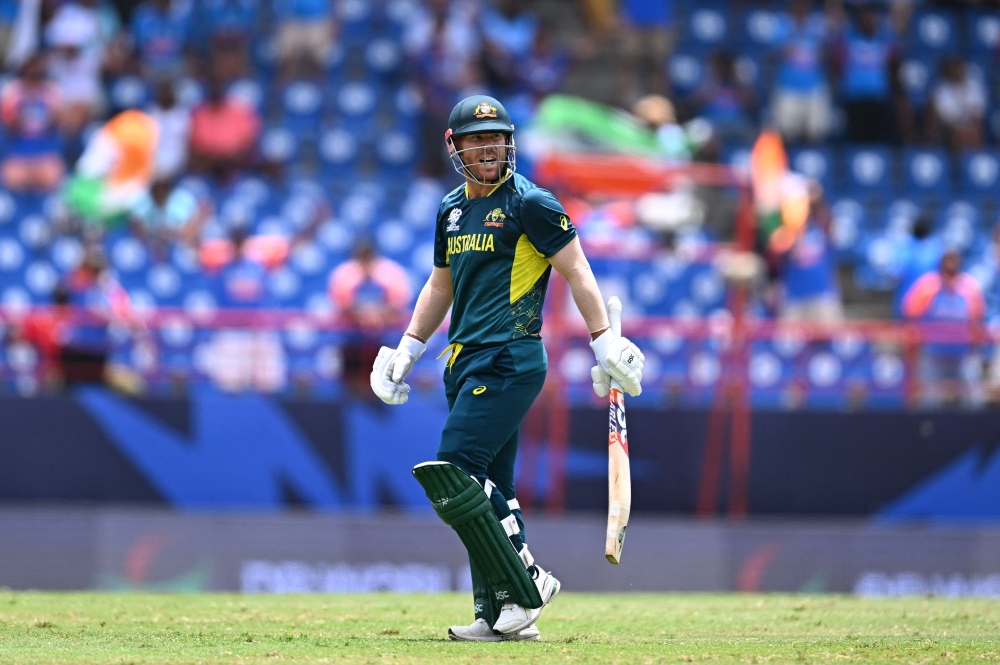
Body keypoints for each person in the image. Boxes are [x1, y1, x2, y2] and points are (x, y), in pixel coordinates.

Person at [369, 95, 645, 641]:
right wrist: (407, 348)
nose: (489, 146)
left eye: (496, 136)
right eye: (476, 138)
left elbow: (578, 271)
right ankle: (498, 613)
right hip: (463, 361)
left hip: (510, 356)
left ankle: (527, 581)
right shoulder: (451, 209)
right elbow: (440, 284)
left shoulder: (530, 203)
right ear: (456, 146)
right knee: (493, 484)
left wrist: (602, 343)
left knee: (455, 472)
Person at [902, 250, 985, 408]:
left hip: (962, 354)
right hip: (933, 354)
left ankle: (974, 431)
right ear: (941, 263)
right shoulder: (928, 285)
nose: (950, 265)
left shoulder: (969, 286)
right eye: (947, 260)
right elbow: (909, 311)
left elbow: (977, 318)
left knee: (973, 400)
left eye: (953, 260)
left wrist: (974, 343)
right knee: (929, 401)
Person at [329, 241, 412, 395]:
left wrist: (377, 313)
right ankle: (353, 390)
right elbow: (341, 304)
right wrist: (364, 313)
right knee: (350, 365)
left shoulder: (391, 271)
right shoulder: (345, 272)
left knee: (386, 368)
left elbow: (398, 304)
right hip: (352, 334)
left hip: (385, 334)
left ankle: (385, 391)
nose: (365, 259)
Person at [834, 4, 900, 144]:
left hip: (878, 96)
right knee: (858, 137)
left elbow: (894, 64)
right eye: (866, 20)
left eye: (873, 20)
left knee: (878, 136)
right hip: (854, 96)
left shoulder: (885, 40)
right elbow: (836, 62)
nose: (870, 23)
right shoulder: (848, 39)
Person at [0, 54, 65, 193]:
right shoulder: (12, 90)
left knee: (54, 176)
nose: (33, 78)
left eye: (37, 74)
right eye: (30, 74)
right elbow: (9, 124)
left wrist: (48, 113)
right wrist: (22, 111)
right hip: (18, 149)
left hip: (44, 149)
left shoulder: (51, 91)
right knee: (11, 177)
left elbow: (58, 122)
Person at [770, 0, 832, 144]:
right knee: (786, 132)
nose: (800, 5)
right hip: (788, 87)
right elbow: (773, 53)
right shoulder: (782, 25)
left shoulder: (817, 25)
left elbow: (829, 49)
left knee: (816, 133)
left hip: (814, 88)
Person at [188, 77, 261, 181]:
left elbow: (248, 140)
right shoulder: (200, 113)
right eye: (213, 90)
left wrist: (230, 155)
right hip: (208, 164)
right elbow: (195, 143)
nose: (216, 93)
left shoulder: (238, 112)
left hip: (235, 162)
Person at [930, 55, 986, 154]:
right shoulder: (942, 90)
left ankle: (978, 160)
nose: (957, 72)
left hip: (972, 125)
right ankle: (957, 165)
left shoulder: (974, 86)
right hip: (951, 128)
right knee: (957, 136)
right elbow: (946, 117)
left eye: (959, 69)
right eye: (954, 69)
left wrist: (971, 126)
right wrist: (959, 126)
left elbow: (978, 112)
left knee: (976, 132)